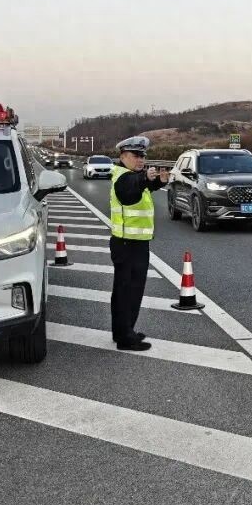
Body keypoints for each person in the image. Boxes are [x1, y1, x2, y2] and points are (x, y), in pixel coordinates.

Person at [109, 136, 169, 351]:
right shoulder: (125, 178)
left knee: (126, 291)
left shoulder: (130, 176)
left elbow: (141, 190)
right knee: (128, 292)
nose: (141, 160)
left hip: (133, 244)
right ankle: (125, 338)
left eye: (143, 156)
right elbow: (130, 192)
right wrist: (145, 178)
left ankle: (124, 331)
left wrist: (158, 182)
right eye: (136, 156)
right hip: (129, 244)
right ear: (123, 156)